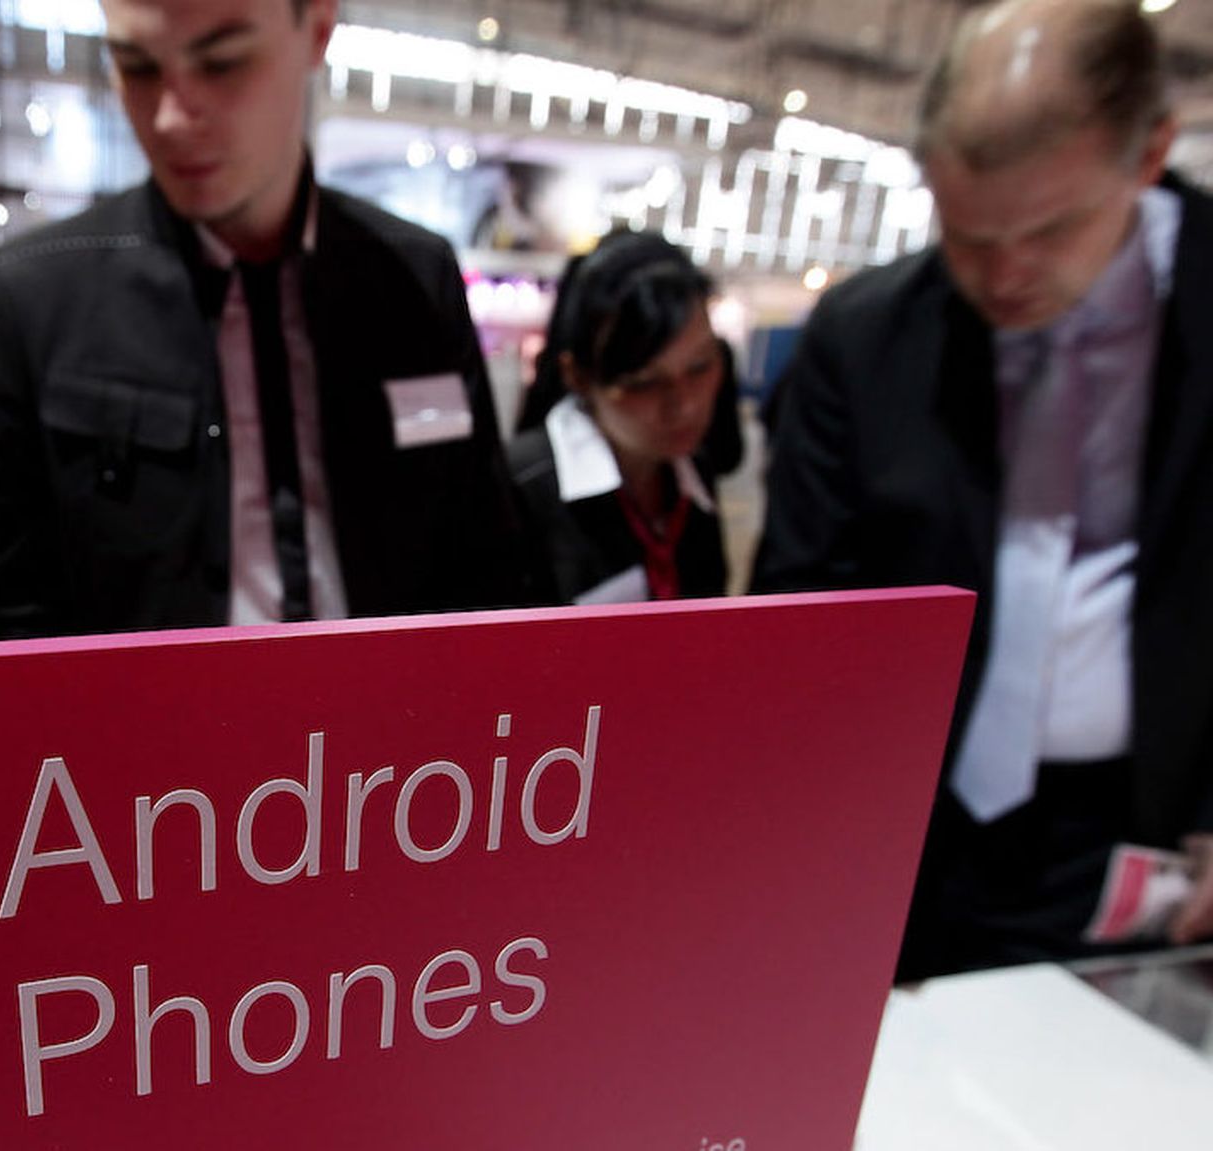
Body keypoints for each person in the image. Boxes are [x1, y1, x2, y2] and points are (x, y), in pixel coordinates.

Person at [755, 0, 1213, 979]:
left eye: (1051, 229)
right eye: (967, 233)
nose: (1006, 274)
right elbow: (801, 612)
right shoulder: (866, 337)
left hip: (1152, 828)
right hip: (912, 831)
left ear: (1148, 155)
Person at [0, 0, 529, 639]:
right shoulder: (33, 298)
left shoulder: (416, 277)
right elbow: (3, 616)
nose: (170, 117)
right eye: (136, 66)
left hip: (392, 730)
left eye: (223, 63)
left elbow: (485, 560)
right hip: (153, 732)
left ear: (318, 31)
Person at [507, 232, 729, 604]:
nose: (683, 404)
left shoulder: (691, 472)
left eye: (700, 367)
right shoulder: (518, 487)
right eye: (644, 383)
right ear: (578, 376)